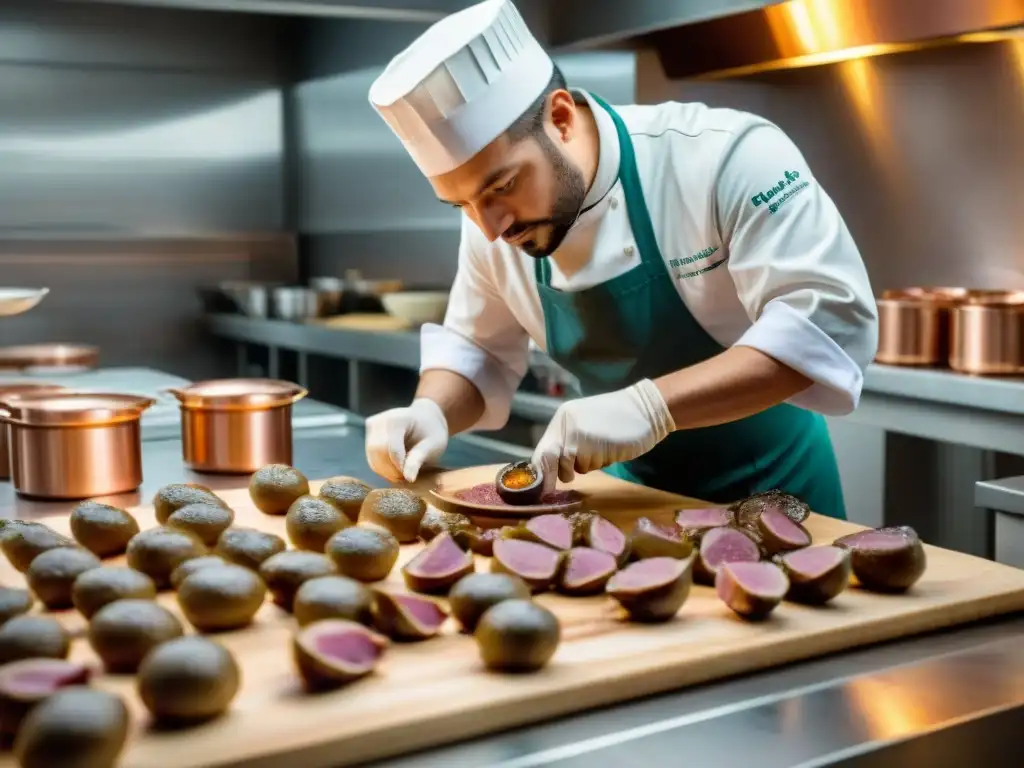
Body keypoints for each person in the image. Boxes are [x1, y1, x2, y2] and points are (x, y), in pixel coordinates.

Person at [362, 0, 878, 519]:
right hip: (629, 505)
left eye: (503, 185)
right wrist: (431, 411)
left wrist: (650, 408)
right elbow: (479, 353)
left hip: (776, 497)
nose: (489, 228)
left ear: (561, 119)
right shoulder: (491, 220)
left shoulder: (724, 157)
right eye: (461, 204)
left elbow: (823, 326)